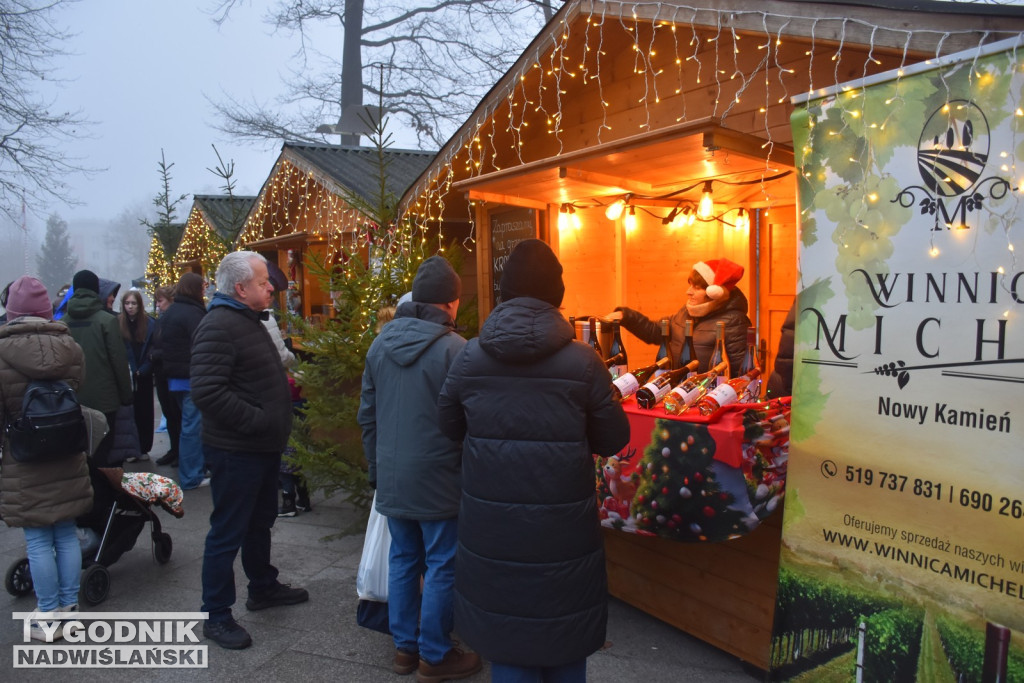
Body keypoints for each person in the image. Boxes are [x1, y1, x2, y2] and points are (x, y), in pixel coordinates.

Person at [438, 239, 630, 683]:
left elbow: (447, 425)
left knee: (508, 639)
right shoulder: (583, 362)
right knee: (565, 633)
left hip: (494, 525)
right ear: (556, 293)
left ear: (504, 292)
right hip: (563, 528)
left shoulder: (470, 355)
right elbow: (614, 438)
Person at [357, 258, 478, 681]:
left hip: (391, 474)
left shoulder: (379, 345)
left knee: (404, 557)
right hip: (440, 476)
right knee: (443, 562)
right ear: (450, 302)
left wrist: (376, 468)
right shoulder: (456, 350)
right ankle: (436, 654)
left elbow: (367, 416)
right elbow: (469, 421)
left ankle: (404, 650)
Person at [192, 251, 307, 650]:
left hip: (261, 448)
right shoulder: (219, 326)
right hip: (237, 449)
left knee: (260, 521)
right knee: (228, 531)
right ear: (240, 289)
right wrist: (258, 421)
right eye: (262, 282)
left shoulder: (249, 320)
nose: (271, 286)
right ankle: (216, 614)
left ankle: (263, 586)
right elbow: (207, 391)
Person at [0, 276, 93, 641]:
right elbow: (78, 392)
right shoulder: (70, 346)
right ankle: (70, 608)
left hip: (24, 458)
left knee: (38, 540)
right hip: (67, 451)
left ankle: (48, 612)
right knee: (66, 534)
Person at [607, 257, 751, 374]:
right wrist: (625, 316)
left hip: (708, 398)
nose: (688, 292)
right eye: (690, 285)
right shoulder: (687, 312)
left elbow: (739, 370)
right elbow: (655, 331)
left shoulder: (734, 321)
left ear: (713, 293)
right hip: (679, 392)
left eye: (696, 287)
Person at [64, 269, 133, 467]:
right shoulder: (107, 321)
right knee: (104, 453)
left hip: (73, 399)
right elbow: (118, 361)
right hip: (105, 400)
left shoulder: (61, 323)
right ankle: (105, 495)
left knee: (79, 453)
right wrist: (126, 395)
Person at [150, 273, 206, 488]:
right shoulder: (193, 313)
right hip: (191, 377)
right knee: (192, 427)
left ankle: (194, 470)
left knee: (187, 425)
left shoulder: (172, 312)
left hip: (174, 377)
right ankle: (192, 475)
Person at [119, 289, 155, 462]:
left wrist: (145, 368)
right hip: (128, 374)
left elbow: (153, 349)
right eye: (127, 303)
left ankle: (143, 447)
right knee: (129, 413)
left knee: (145, 412)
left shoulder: (149, 324)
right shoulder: (118, 324)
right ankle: (131, 448)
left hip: (144, 374)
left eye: (133, 303)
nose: (130, 307)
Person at [152, 286, 182, 466]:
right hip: (162, 373)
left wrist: (155, 354)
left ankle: (179, 451)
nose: (157, 305)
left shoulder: (172, 320)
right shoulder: (160, 321)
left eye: (160, 301)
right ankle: (174, 449)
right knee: (169, 414)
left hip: (171, 372)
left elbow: (173, 347)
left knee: (176, 414)